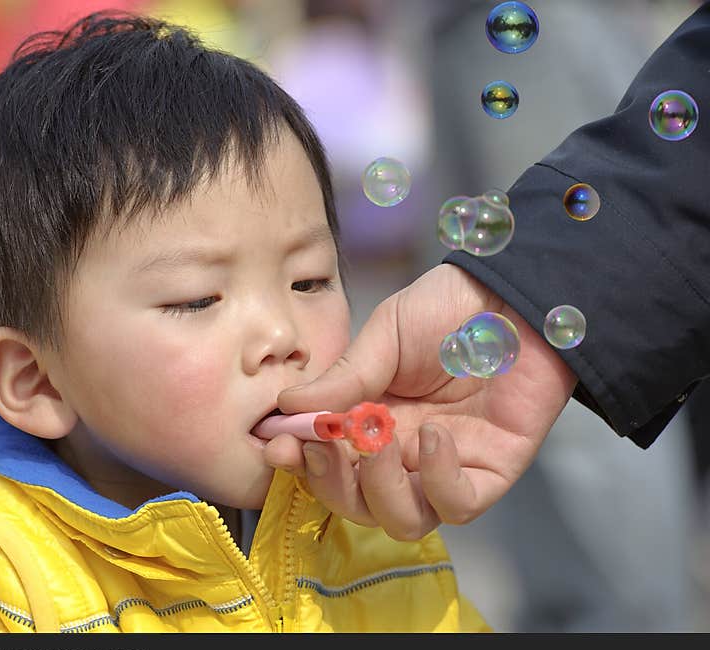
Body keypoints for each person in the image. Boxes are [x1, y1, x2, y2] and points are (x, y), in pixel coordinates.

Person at [0, 12, 488, 633]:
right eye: (198, 299)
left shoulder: (387, 549)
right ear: (37, 381)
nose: (282, 337)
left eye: (309, 280)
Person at [272, 2, 710, 545]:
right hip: (443, 21)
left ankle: (629, 617)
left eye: (310, 281)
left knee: (578, 400)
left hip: (511, 15)